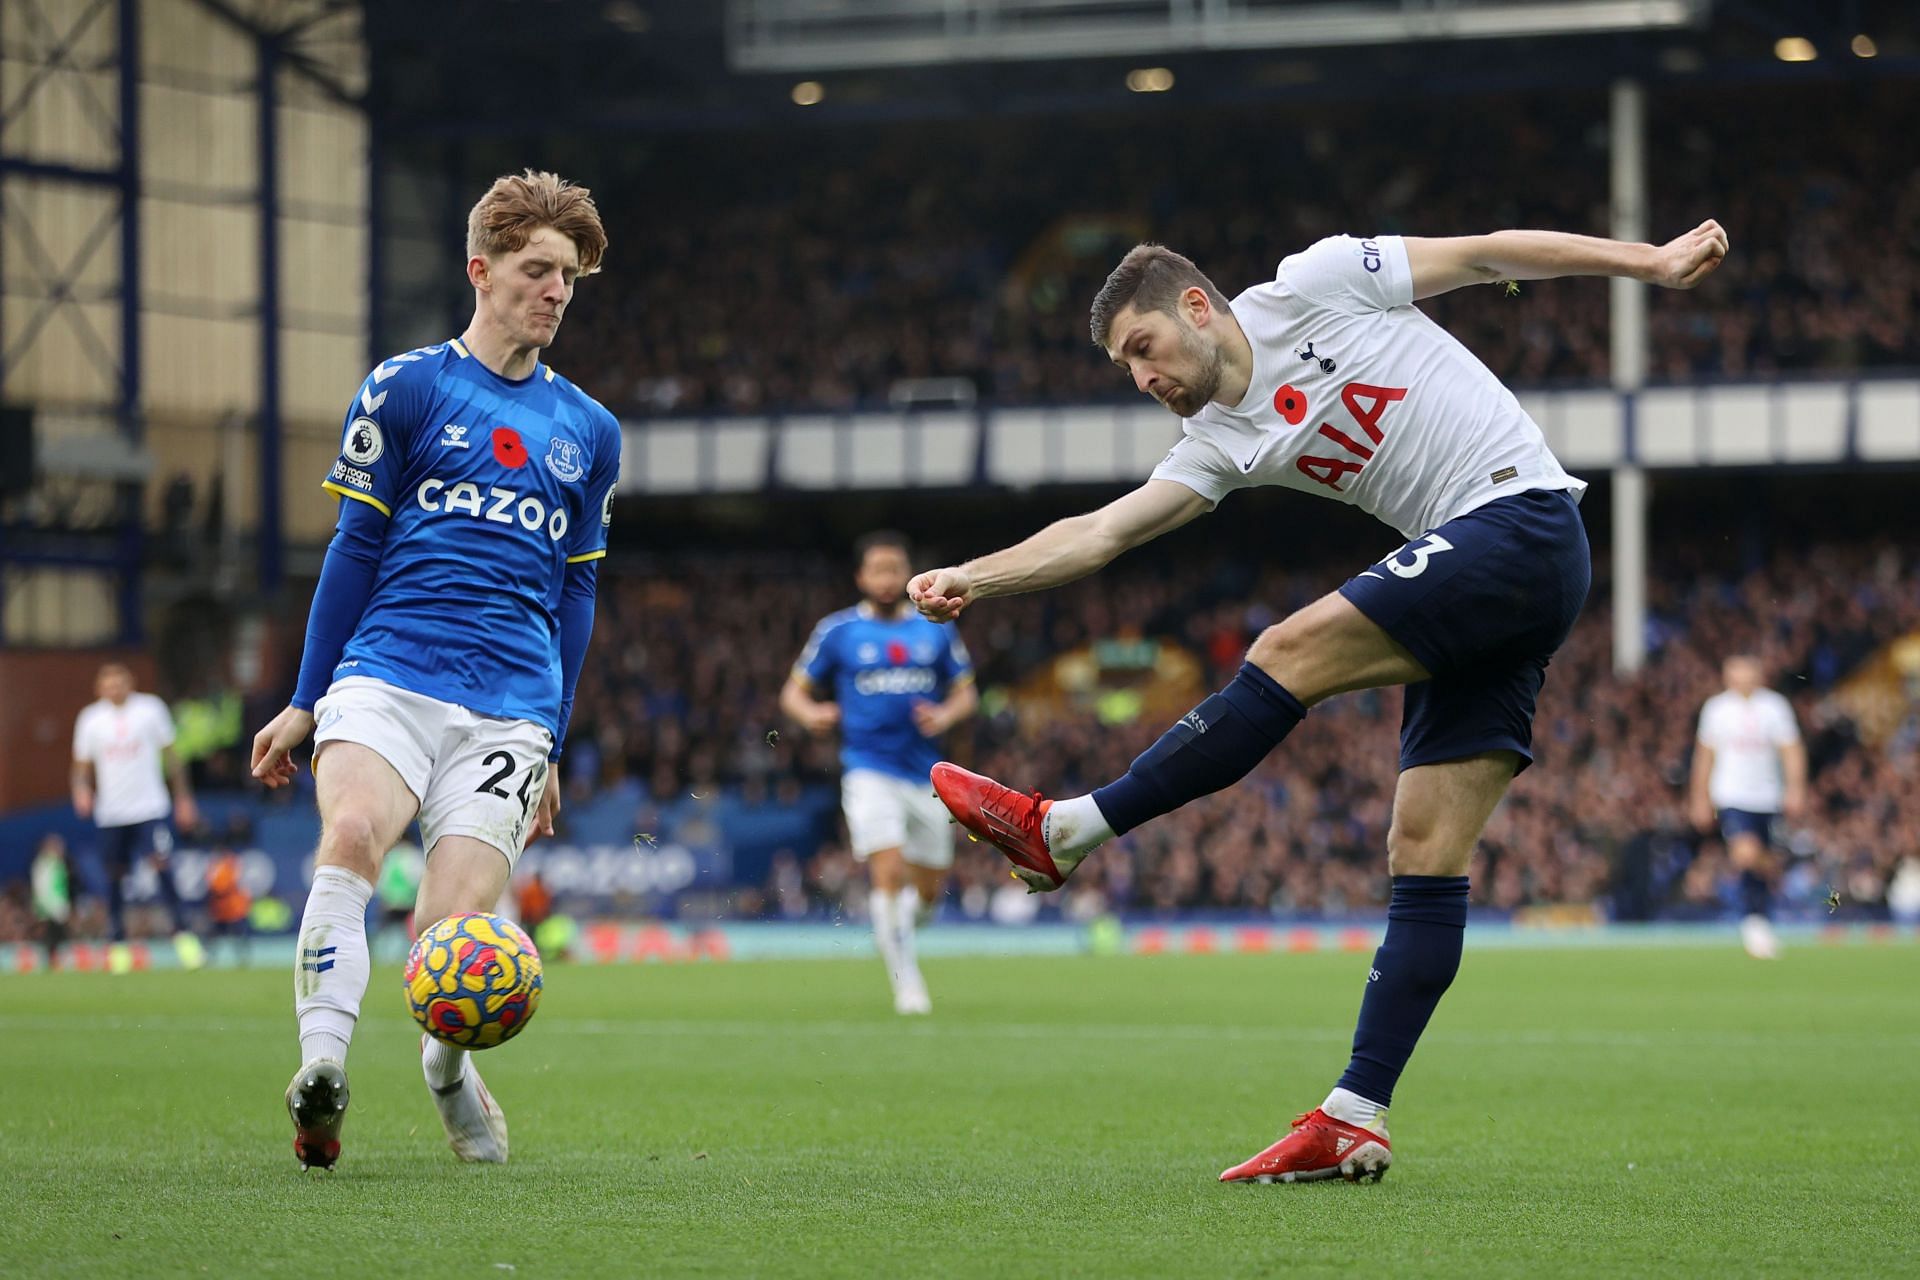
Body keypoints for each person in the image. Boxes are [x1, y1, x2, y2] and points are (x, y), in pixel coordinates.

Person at [911, 221, 1729, 1183]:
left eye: (1143, 348)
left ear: (1195, 306)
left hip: (1517, 522)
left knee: (1285, 649)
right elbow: (1099, 534)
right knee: (1423, 852)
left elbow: (1491, 254)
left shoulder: (1319, 284)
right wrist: (976, 575)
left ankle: (1069, 831)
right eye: (1123, 367)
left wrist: (1653, 263)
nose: (1142, 377)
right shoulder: (1217, 437)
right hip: (1491, 586)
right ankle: (1356, 1114)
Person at [249, 170, 618, 1170]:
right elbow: (352, 549)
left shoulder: (591, 431)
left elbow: (576, 598)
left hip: (511, 711)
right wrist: (305, 698)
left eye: (571, 277)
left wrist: (553, 741)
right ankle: (319, 1068)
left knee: (451, 934)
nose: (556, 291)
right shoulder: (406, 385)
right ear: (481, 269)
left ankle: (448, 1072)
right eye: (538, 269)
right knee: (355, 829)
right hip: (390, 671)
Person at [781, 531, 978, 1014]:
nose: (888, 579)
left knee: (929, 892)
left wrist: (945, 717)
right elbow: (793, 693)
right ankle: (906, 981)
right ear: (861, 577)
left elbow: (967, 693)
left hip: (927, 775)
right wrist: (811, 715)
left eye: (896, 569)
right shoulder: (838, 631)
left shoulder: (935, 628)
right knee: (887, 870)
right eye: (879, 570)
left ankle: (894, 933)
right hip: (868, 769)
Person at [70, 662, 202, 973]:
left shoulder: (150, 710)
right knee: (115, 876)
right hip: (112, 812)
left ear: (130, 682)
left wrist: (183, 798)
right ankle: (117, 944)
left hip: (149, 808)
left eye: (120, 681)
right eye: (109, 682)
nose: (115, 687)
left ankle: (183, 937)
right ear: (100, 688)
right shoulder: (90, 720)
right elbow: (80, 766)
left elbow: (172, 755)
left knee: (162, 867)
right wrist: (80, 790)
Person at [1689, 655, 1805, 960]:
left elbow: (1791, 750)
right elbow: (1705, 756)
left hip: (1768, 796)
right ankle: (1755, 919)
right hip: (1730, 795)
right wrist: (1700, 798)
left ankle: (1759, 919)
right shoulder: (1717, 709)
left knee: (1756, 862)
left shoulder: (1775, 707)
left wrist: (1795, 788)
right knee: (1745, 853)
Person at [31, 834, 72, 969]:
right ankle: (50, 963)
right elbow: (41, 888)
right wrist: (44, 907)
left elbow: (61, 887)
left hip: (57, 905)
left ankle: (56, 962)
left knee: (59, 936)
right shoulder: (44, 864)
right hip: (50, 907)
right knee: (50, 936)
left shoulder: (57, 864)